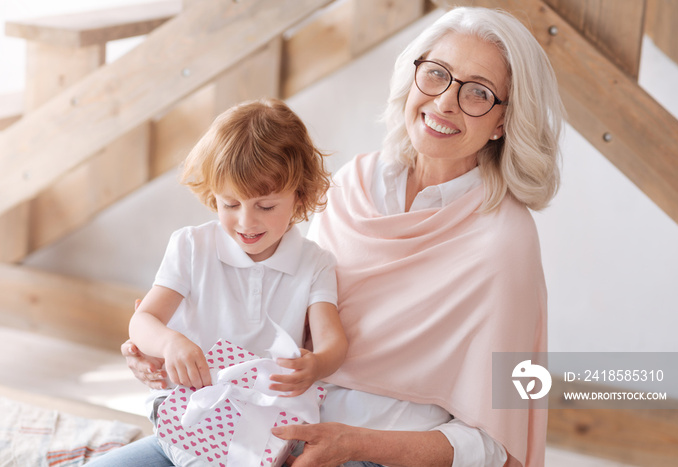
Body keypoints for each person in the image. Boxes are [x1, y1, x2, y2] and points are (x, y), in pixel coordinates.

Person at [123, 6, 563, 467]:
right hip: (260, 426)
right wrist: (154, 348)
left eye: (478, 92)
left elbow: (495, 444)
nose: (446, 101)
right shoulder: (354, 183)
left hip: (378, 453)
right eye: (436, 74)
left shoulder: (505, 242)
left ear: (503, 122)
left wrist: (353, 444)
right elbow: (287, 321)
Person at [90, 98, 348, 466]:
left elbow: (333, 340)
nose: (246, 222)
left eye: (266, 206)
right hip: (184, 417)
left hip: (262, 430)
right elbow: (143, 321)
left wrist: (317, 364)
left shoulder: (316, 263)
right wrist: (170, 343)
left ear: (299, 196)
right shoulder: (192, 245)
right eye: (230, 204)